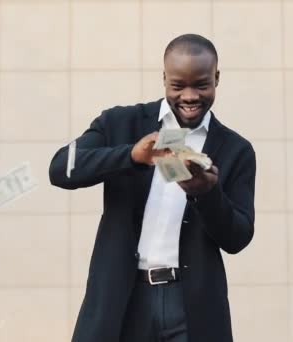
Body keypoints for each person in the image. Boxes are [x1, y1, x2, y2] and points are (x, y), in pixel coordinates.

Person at [49, 33, 256, 342]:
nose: (189, 96)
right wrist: (131, 155)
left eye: (201, 84)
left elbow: (239, 236)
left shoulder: (236, 149)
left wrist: (206, 193)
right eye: (177, 85)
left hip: (191, 306)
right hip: (124, 297)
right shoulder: (121, 123)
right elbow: (61, 168)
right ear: (163, 79)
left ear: (217, 78)